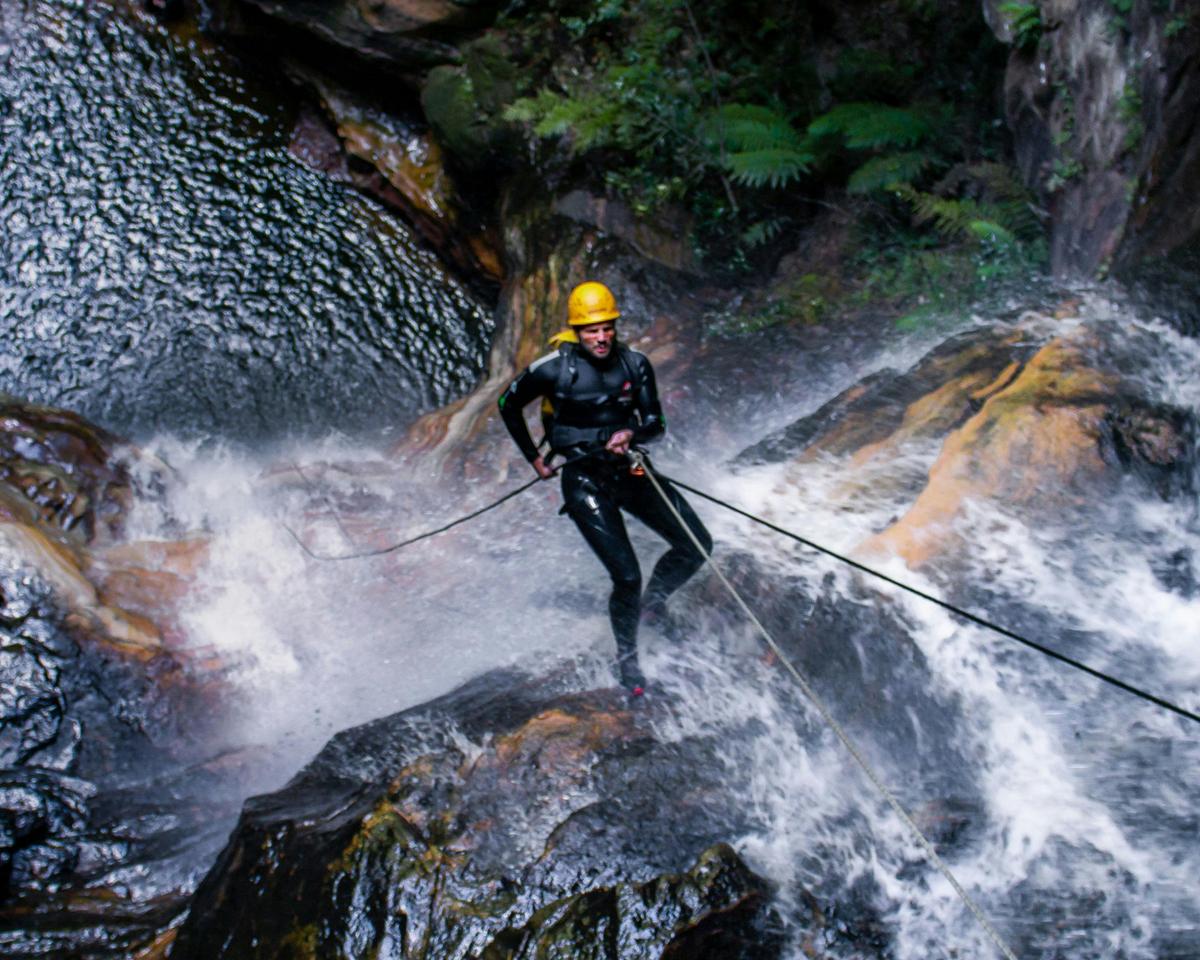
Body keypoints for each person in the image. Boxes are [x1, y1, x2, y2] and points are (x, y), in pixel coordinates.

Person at [498, 280, 712, 696]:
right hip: (584, 482)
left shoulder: (635, 364)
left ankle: (654, 604)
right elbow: (508, 404)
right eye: (591, 330)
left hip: (630, 470)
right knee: (627, 576)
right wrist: (535, 459)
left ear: (615, 326)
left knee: (697, 545)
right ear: (577, 332)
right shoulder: (552, 368)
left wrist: (631, 432)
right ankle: (628, 660)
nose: (600, 337)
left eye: (606, 328)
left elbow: (656, 423)